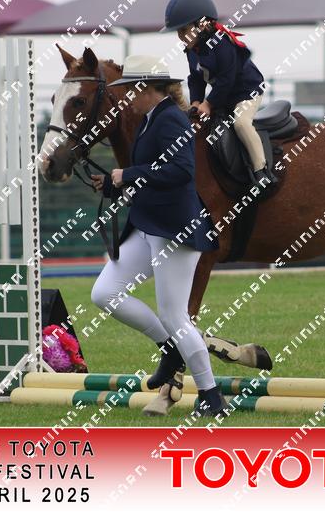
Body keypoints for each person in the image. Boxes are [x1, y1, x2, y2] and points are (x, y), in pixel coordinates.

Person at [89, 54, 227, 417]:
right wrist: (115, 184)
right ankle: (169, 347)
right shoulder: (152, 119)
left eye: (130, 90)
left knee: (174, 315)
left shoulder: (170, 119)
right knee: (104, 293)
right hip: (149, 225)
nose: (126, 98)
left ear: (146, 88)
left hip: (175, 230)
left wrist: (129, 174)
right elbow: (152, 175)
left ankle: (212, 396)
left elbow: (181, 171)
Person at [161, 0, 277, 190]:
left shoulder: (222, 43)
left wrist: (208, 104)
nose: (181, 37)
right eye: (178, 32)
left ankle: (261, 171)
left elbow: (226, 80)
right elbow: (195, 79)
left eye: (184, 30)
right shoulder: (192, 49)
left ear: (202, 24)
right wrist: (196, 102)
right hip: (224, 96)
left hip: (246, 93)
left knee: (241, 123)